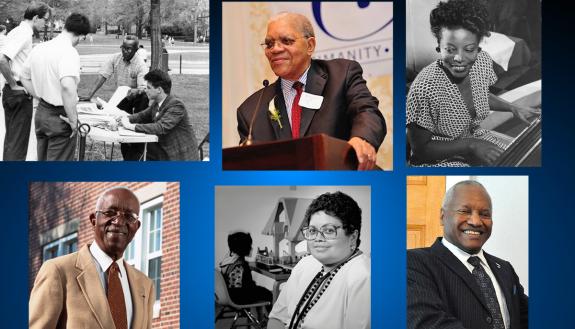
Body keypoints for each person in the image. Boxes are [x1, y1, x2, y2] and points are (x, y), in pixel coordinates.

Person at [236, 12, 386, 171]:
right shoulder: (250, 111)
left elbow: (367, 111)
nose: (275, 49)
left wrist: (361, 139)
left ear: (310, 46)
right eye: (269, 44)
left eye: (286, 41)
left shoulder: (342, 75)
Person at [406, 0, 540, 167]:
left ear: (478, 45)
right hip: (438, 157)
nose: (459, 58)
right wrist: (471, 145)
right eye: (450, 49)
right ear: (439, 46)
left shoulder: (482, 61)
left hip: (472, 137)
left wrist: (514, 108)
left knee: (523, 159)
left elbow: (480, 94)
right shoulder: (424, 87)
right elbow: (421, 149)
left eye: (469, 49)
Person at [407, 180, 528, 329]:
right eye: (465, 211)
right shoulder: (413, 263)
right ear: (442, 216)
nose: (476, 221)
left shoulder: (505, 268)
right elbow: (428, 323)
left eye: (485, 214)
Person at [29, 187, 155, 329]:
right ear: (93, 220)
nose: (119, 221)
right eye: (110, 213)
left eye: (129, 216)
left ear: (136, 226)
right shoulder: (58, 271)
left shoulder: (145, 286)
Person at [268, 191, 370, 329]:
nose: (318, 238)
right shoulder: (305, 264)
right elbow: (277, 318)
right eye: (312, 230)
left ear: (352, 236)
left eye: (328, 230)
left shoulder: (363, 277)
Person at [20, 13, 88, 161]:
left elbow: (23, 77)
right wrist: (73, 120)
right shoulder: (69, 52)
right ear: (81, 36)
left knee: (43, 166)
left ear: (65, 27)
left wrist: (40, 95)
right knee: (57, 175)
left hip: (41, 112)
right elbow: (67, 87)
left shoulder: (40, 48)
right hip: (60, 115)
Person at [0, 2, 51, 160]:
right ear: (36, 18)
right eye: (45, 20)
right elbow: (2, 60)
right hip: (18, 93)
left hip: (12, 93)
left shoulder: (17, 31)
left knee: (12, 142)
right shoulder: (23, 32)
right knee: (18, 146)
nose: (46, 24)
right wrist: (15, 85)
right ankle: (13, 183)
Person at [118, 69, 199, 161]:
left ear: (159, 90)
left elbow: (160, 128)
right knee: (129, 143)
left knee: (136, 145)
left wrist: (130, 126)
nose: (146, 90)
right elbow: (141, 115)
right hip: (163, 147)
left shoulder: (176, 105)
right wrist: (123, 119)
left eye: (149, 88)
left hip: (178, 156)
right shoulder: (157, 103)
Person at [219, 232, 273, 322]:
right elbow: (244, 287)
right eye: (249, 245)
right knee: (268, 294)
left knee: (260, 290)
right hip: (238, 298)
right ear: (243, 248)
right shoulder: (241, 265)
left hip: (229, 296)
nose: (251, 248)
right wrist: (254, 286)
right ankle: (271, 320)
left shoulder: (228, 261)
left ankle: (259, 319)